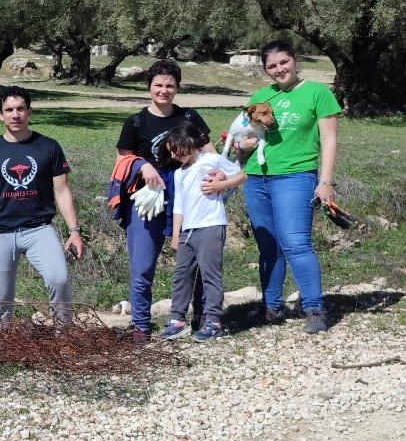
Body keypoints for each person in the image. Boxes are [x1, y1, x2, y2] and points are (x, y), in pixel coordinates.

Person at [206, 38, 342, 334]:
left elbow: (329, 139)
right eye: (272, 66)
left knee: (296, 243)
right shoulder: (262, 96)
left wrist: (325, 182)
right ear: (266, 70)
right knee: (268, 247)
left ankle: (314, 307)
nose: (279, 69)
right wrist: (240, 146)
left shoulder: (318, 92)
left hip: (295, 176)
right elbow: (244, 141)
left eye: (284, 62)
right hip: (255, 179)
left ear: (295, 59)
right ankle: (272, 307)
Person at [0, 87, 85, 328]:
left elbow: (62, 191)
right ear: (0, 115)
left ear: (29, 111)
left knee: (59, 278)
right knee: (1, 298)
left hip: (39, 230)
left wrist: (74, 230)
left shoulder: (48, 147)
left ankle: (65, 333)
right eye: (9, 110)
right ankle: (4, 342)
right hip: (0, 232)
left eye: (20, 109)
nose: (15, 115)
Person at [116, 59, 212, 338]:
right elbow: (122, 159)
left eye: (170, 85)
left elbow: (209, 152)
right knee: (142, 265)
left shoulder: (189, 117)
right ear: (149, 87)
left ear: (177, 88)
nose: (164, 90)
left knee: (198, 262)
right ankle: (141, 324)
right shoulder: (135, 122)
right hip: (147, 203)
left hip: (190, 200)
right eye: (158, 85)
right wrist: (143, 165)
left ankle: (201, 316)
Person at [162, 124, 245, 342]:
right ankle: (177, 320)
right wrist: (176, 235)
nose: (173, 155)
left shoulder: (211, 160)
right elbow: (178, 205)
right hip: (187, 231)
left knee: (210, 275)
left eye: (176, 149)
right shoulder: (179, 173)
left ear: (189, 144)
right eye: (170, 151)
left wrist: (222, 184)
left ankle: (214, 321)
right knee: (181, 275)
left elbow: (241, 176)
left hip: (211, 226)